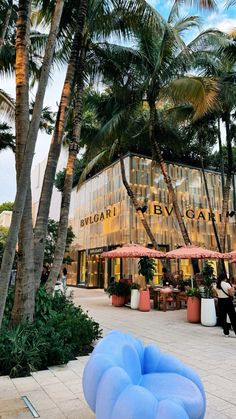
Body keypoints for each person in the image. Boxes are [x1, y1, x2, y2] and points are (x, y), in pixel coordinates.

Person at [215, 273, 236, 337]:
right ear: (225, 278)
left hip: (220, 301)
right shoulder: (227, 284)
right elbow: (231, 294)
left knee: (223, 317)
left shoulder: (216, 285)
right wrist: (232, 288)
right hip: (227, 301)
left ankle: (226, 332)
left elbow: (216, 294)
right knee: (233, 317)